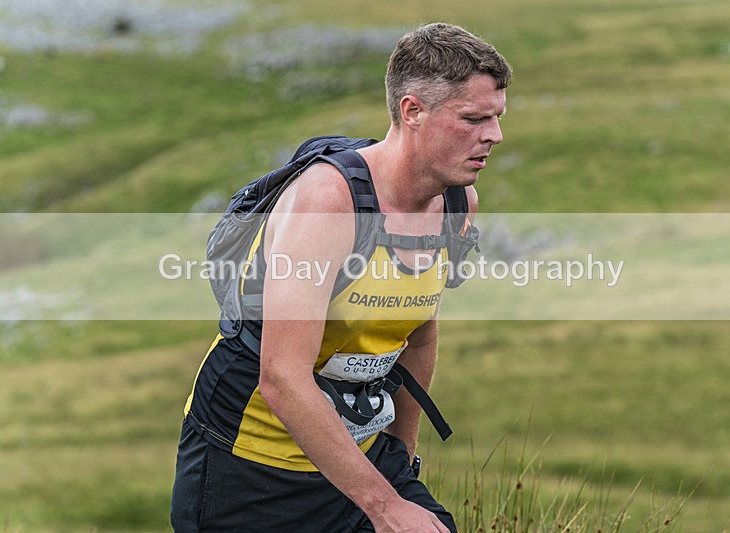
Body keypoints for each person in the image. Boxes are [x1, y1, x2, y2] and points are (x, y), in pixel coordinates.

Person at [170, 22, 511, 532]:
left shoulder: (458, 204)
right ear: (412, 111)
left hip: (361, 457)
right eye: (473, 118)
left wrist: (400, 457)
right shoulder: (329, 202)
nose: (494, 136)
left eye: (498, 117)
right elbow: (282, 377)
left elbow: (419, 335)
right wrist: (385, 505)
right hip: (249, 466)